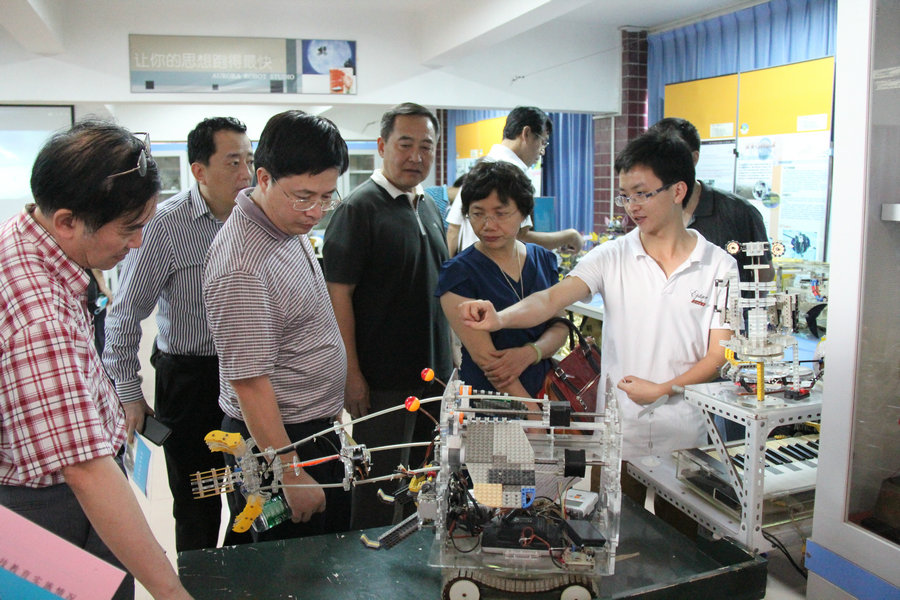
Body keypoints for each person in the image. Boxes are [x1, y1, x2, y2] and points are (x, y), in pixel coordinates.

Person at [459, 130, 738, 530]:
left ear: (678, 191)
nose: (632, 206)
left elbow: (719, 354)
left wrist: (664, 388)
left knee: (680, 535)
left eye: (642, 194)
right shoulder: (613, 255)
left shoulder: (718, 266)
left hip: (686, 432)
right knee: (614, 532)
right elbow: (550, 300)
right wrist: (500, 318)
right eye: (625, 196)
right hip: (620, 430)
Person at [0, 120, 192, 599]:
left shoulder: (29, 241)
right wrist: (171, 592)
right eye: (129, 229)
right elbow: (86, 473)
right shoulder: (39, 321)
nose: (137, 243)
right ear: (67, 221)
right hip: (52, 513)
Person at [103, 117, 254, 551]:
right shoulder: (165, 226)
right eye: (233, 162)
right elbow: (124, 315)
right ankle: (201, 581)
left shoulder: (257, 220)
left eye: (249, 160)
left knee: (253, 498)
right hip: (191, 382)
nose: (245, 173)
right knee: (196, 504)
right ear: (199, 170)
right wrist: (129, 395)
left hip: (248, 377)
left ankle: (243, 580)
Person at [203, 110, 351, 543]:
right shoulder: (243, 266)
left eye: (327, 197)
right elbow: (249, 382)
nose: (316, 211)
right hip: (278, 442)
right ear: (264, 178)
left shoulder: (284, 224)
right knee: (292, 566)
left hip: (309, 430)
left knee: (327, 554)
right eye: (304, 197)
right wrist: (289, 472)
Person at [323, 102, 453, 529]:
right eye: (405, 144)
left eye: (426, 147)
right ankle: (368, 568)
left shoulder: (429, 207)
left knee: (424, 487)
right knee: (377, 490)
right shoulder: (358, 210)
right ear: (382, 146)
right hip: (382, 385)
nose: (416, 156)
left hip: (432, 381)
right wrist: (350, 374)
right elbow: (338, 296)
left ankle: (412, 562)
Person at [436, 160, 568, 399]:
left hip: (547, 389)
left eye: (501, 214)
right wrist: (534, 413)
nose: (488, 225)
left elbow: (560, 326)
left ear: (523, 213)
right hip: (490, 399)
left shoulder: (543, 259)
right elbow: (489, 362)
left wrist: (531, 353)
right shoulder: (458, 273)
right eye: (478, 214)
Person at [445, 106, 583, 257]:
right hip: (500, 266)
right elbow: (521, 238)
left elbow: (453, 229)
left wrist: (449, 267)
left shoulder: (480, 167)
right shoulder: (514, 174)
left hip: (470, 264)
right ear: (526, 133)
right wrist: (570, 236)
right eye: (542, 142)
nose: (542, 151)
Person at [647, 117, 773, 283]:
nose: (661, 167)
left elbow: (763, 275)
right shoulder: (649, 212)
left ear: (694, 158)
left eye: (671, 157)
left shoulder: (738, 212)